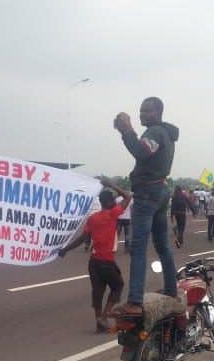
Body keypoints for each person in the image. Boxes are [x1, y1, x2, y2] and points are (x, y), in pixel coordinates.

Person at [112, 97, 179, 316]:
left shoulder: (156, 133)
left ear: (158, 112)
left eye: (146, 111)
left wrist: (127, 130)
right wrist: (127, 132)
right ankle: (171, 289)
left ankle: (134, 301)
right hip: (159, 191)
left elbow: (141, 152)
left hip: (147, 193)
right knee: (162, 246)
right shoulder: (166, 133)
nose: (141, 115)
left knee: (138, 247)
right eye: (140, 111)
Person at [59, 178, 131, 332]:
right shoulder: (113, 213)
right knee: (118, 286)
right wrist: (111, 184)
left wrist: (65, 249)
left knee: (98, 292)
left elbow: (82, 239)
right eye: (112, 199)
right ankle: (104, 317)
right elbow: (127, 196)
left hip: (94, 263)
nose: (114, 201)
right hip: (107, 261)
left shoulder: (93, 218)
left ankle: (99, 322)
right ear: (109, 202)